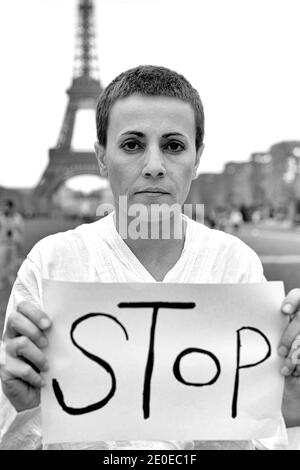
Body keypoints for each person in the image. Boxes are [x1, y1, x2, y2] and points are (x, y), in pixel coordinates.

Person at [0, 65, 300, 450]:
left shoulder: (237, 263)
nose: (154, 165)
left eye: (173, 145)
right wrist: (16, 402)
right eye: (132, 145)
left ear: (197, 157)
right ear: (101, 157)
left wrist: (286, 386)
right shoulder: (50, 262)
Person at [0, 200, 24, 290]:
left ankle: (11, 279)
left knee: (12, 263)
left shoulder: (17, 217)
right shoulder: (1, 217)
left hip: (13, 243)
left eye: (9, 207)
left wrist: (21, 242)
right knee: (2, 263)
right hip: (3, 243)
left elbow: (21, 230)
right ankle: (1, 280)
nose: (7, 209)